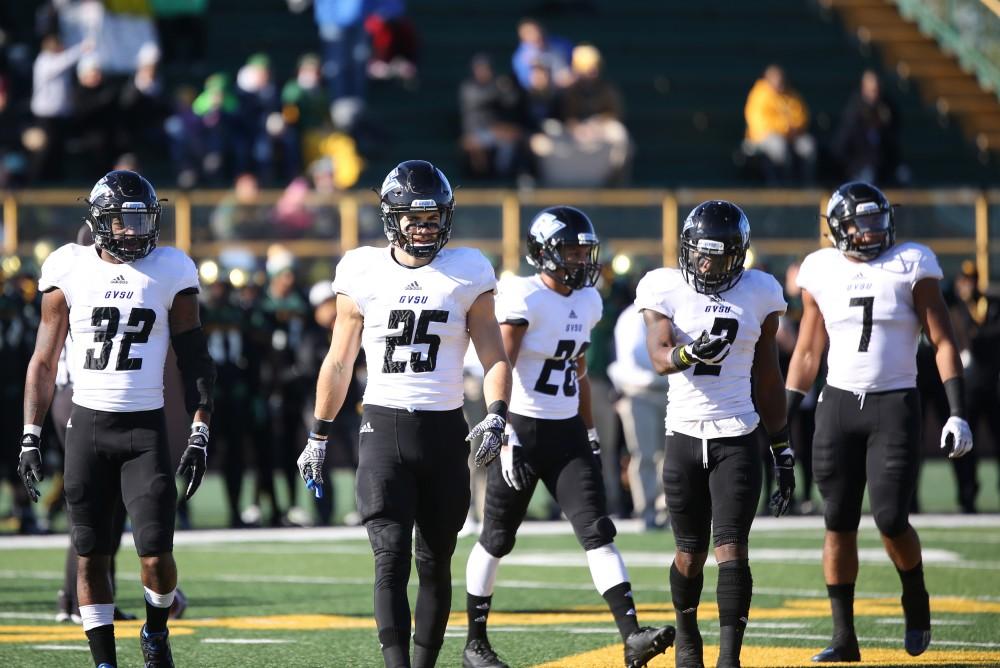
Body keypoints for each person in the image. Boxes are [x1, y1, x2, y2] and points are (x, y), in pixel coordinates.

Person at [296, 159, 512, 668]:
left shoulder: (468, 269)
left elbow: (495, 356)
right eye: (413, 218)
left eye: (432, 217)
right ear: (391, 218)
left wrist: (498, 413)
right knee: (389, 559)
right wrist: (319, 435)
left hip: (443, 428)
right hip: (383, 427)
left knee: (436, 562)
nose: (424, 227)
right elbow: (339, 359)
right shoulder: (361, 269)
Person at [17, 170, 216, 668]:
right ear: (100, 221)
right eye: (124, 220)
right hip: (86, 424)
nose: (134, 230)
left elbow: (195, 355)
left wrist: (200, 427)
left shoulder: (171, 268)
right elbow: (43, 360)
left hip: (144, 428)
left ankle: (155, 632)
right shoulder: (69, 266)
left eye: (141, 219)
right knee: (91, 554)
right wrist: (30, 434)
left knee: (155, 552)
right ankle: (104, 659)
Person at [462, 207, 676, 668]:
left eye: (584, 251)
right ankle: (474, 642)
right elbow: (500, 366)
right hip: (522, 427)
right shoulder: (525, 298)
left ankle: (632, 635)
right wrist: (504, 437)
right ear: (544, 253)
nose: (581, 260)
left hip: (566, 433)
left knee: (598, 532)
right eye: (571, 251)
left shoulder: (589, 301)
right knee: (496, 539)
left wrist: (591, 432)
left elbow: (576, 370)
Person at [785, 181, 973, 662]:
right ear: (837, 229)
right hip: (838, 405)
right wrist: (783, 417)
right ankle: (844, 637)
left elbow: (943, 340)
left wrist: (957, 411)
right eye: (859, 224)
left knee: (891, 518)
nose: (870, 233)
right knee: (837, 520)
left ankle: (915, 594)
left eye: (875, 221)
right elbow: (808, 349)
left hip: (894, 405)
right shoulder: (821, 269)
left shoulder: (912, 262)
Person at [637, 200, 794, 668]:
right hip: (683, 436)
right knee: (690, 554)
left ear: (739, 255)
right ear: (687, 250)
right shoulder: (662, 286)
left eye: (720, 256)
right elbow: (660, 355)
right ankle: (687, 636)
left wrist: (782, 446)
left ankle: (730, 658)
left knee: (732, 550)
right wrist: (689, 355)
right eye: (701, 255)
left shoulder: (760, 291)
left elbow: (768, 375)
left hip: (737, 434)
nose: (708, 265)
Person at [948, 262, 1000, 513]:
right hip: (967, 389)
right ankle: (967, 495)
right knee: (965, 444)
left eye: (970, 280)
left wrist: (978, 336)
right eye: (962, 280)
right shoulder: (954, 308)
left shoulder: (990, 305)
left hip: (992, 384)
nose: (965, 285)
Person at [742, 64, 816, 184]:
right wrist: (785, 128)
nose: (779, 82)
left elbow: (802, 115)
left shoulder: (791, 94)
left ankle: (806, 185)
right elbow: (760, 123)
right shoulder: (759, 94)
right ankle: (780, 186)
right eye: (776, 79)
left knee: (808, 145)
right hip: (763, 137)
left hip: (792, 135)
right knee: (779, 146)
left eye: (781, 79)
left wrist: (795, 128)